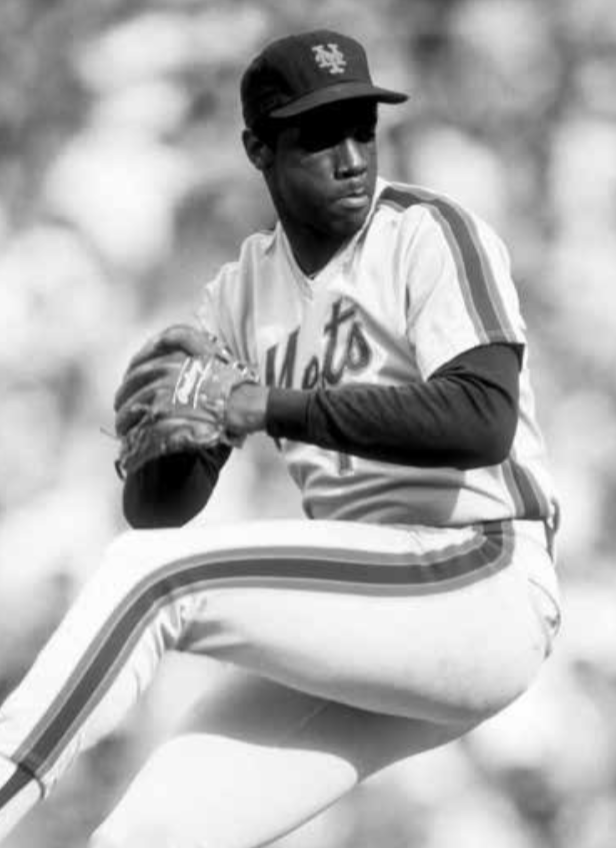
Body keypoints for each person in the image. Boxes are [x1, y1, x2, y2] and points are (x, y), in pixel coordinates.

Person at [0, 28, 561, 848]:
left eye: (362, 129)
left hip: (479, 577)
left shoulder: (427, 233)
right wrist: (160, 437)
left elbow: (483, 419)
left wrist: (269, 406)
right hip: (370, 614)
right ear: (257, 149)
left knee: (151, 579)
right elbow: (163, 515)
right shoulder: (239, 294)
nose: (352, 156)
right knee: (145, 836)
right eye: (318, 135)